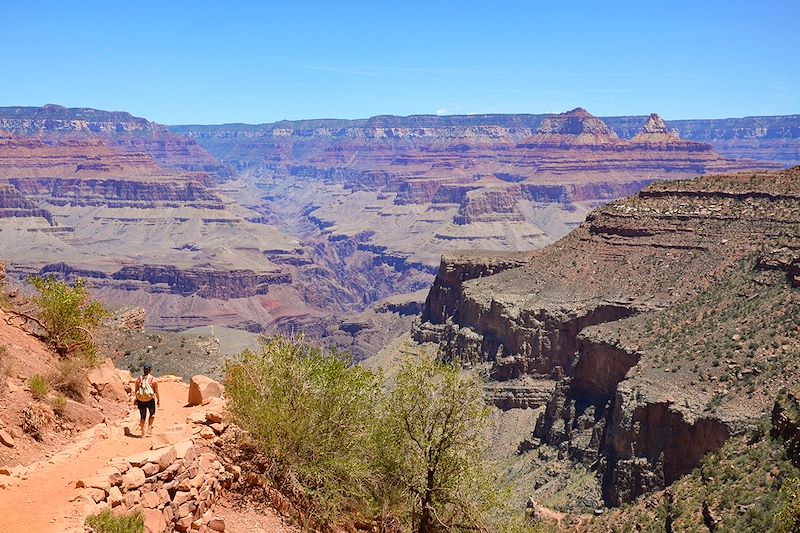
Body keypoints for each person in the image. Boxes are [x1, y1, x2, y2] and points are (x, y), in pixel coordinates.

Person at [134, 363, 160, 437]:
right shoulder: (153, 380)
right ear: (150, 370)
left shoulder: (138, 379)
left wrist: (136, 399)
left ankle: (143, 432)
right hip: (150, 400)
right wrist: (158, 400)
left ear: (143, 370)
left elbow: (136, 391)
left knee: (142, 416)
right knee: (152, 414)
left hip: (141, 401)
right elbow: (156, 391)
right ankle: (149, 428)